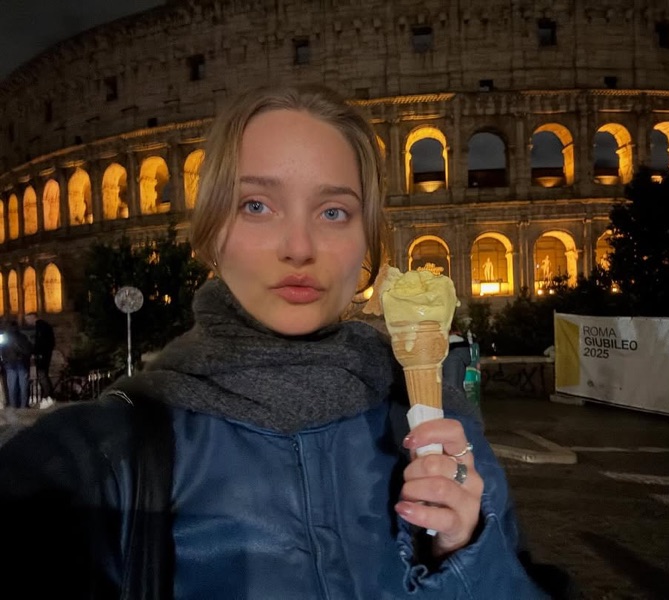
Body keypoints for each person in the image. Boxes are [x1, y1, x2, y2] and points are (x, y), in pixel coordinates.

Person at [0, 85, 549, 598]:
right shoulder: (92, 458)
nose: (299, 246)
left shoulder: (442, 432)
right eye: (256, 206)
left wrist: (466, 551)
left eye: (334, 212)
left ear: (367, 242)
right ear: (212, 232)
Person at [23, 312, 56, 409]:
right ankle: (48, 396)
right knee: (43, 375)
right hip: (46, 354)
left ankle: (48, 396)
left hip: (42, 355)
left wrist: (35, 353)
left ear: (33, 317)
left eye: (27, 319)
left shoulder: (40, 327)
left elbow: (39, 342)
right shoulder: (45, 326)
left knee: (42, 376)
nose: (27, 322)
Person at [0, 320, 33, 409]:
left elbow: (2, 350)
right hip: (21, 362)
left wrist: (4, 360)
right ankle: (23, 405)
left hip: (9, 363)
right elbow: (28, 350)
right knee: (23, 385)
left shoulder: (4, 338)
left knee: (12, 385)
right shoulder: (22, 337)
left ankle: (13, 405)